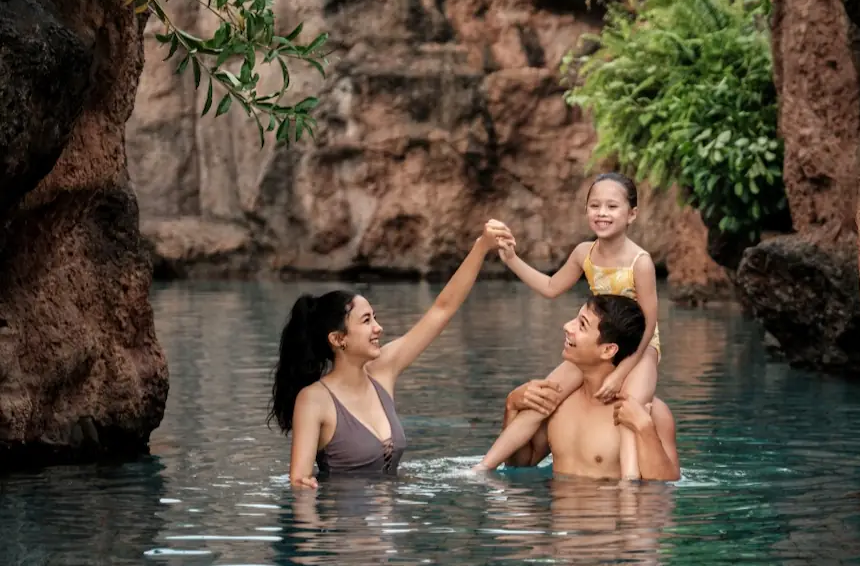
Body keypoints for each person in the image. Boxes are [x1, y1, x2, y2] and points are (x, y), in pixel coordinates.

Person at [269, 222, 513, 488]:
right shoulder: (313, 400)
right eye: (366, 321)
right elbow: (300, 483)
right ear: (338, 339)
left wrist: (481, 248)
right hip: (346, 525)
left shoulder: (383, 369)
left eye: (376, 318)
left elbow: (442, 310)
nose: (378, 328)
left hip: (392, 522)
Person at [475, 173, 661, 479]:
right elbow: (550, 286)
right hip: (598, 342)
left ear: (632, 214)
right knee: (543, 397)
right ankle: (484, 466)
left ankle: (630, 485)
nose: (602, 213)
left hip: (639, 348)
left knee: (630, 409)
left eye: (612, 207)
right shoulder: (583, 253)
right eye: (595, 205)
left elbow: (650, 321)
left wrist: (621, 372)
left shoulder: (640, 261)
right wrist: (511, 259)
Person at [496, 294, 679, 482]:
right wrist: (511, 407)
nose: (567, 326)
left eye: (581, 325)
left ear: (608, 350)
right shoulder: (558, 401)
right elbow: (520, 464)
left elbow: (664, 487)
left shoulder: (652, 413)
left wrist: (644, 428)